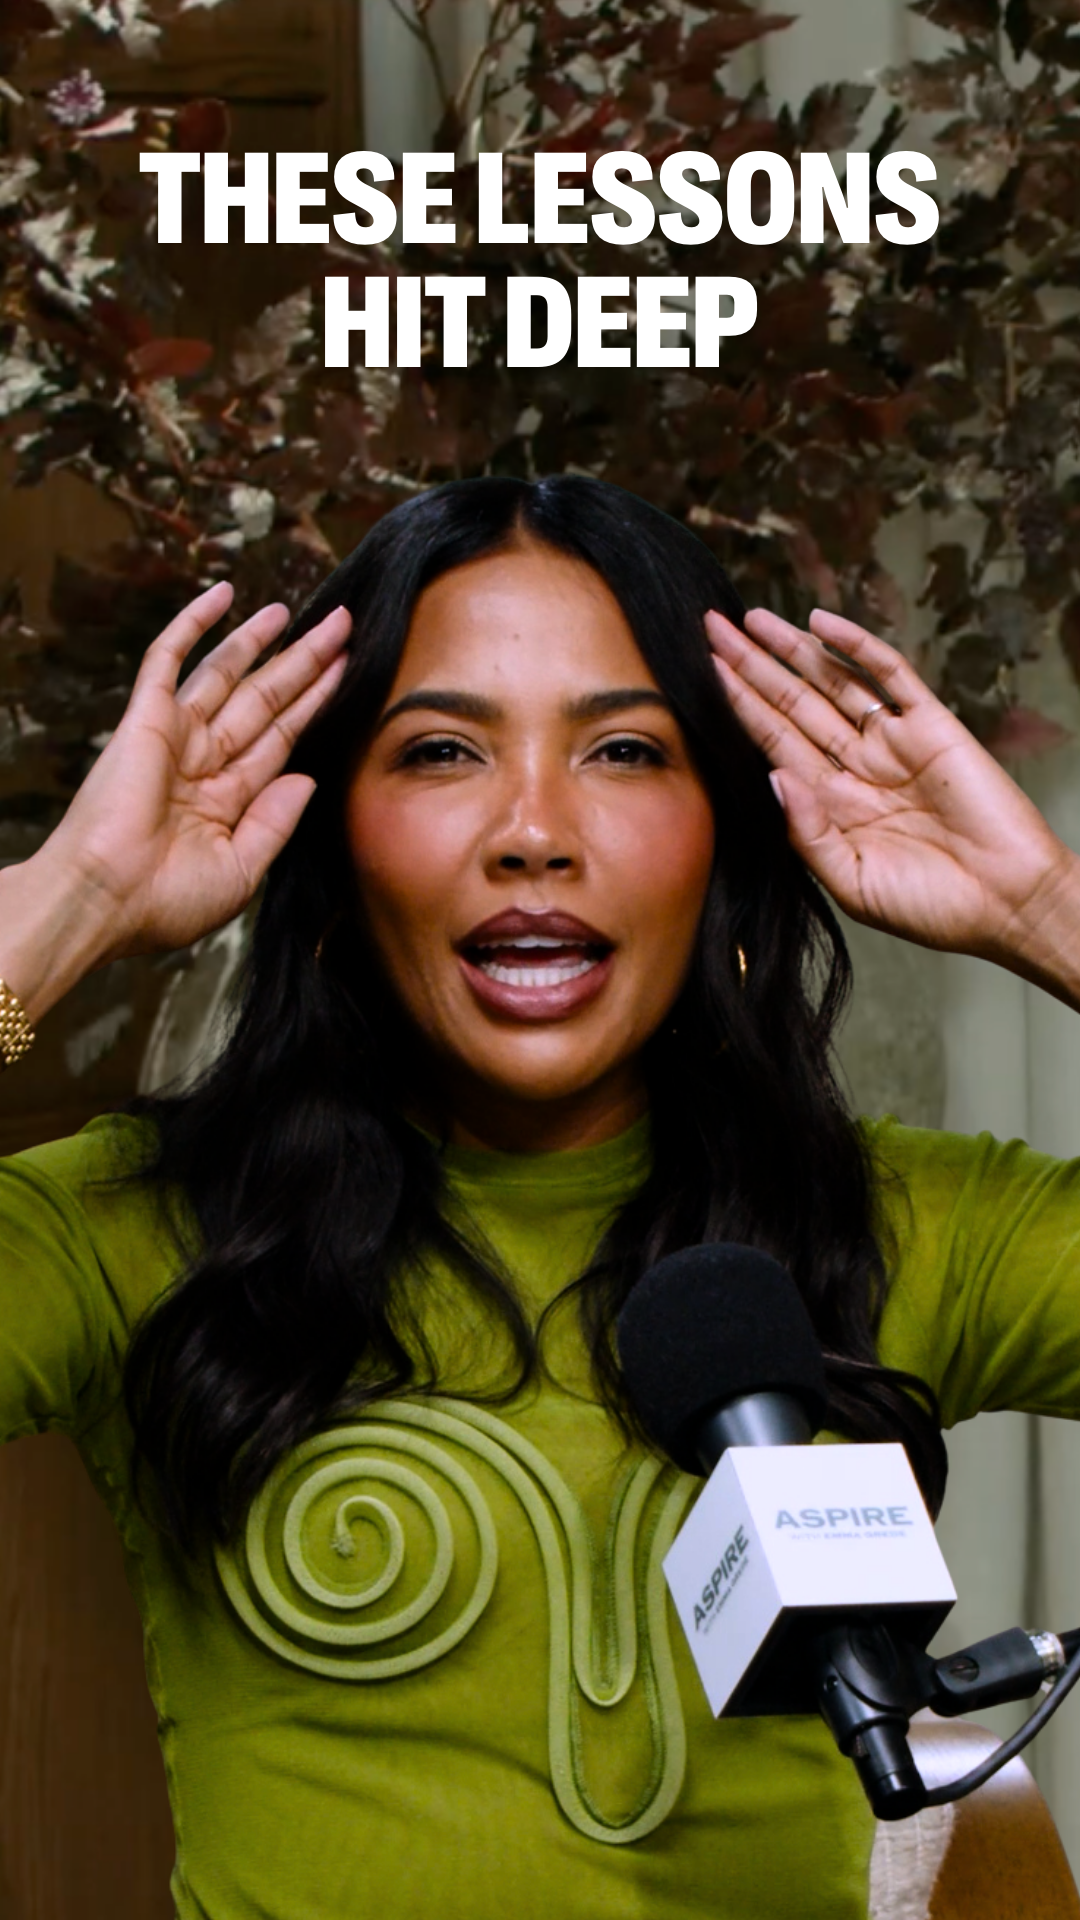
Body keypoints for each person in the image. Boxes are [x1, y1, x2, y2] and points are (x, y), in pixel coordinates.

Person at [0, 473, 1078, 1920]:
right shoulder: (137, 1228)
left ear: (724, 833)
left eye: (624, 751)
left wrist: (1047, 912)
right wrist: (66, 902)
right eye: (442, 750)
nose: (533, 831)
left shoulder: (898, 1223)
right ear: (332, 840)